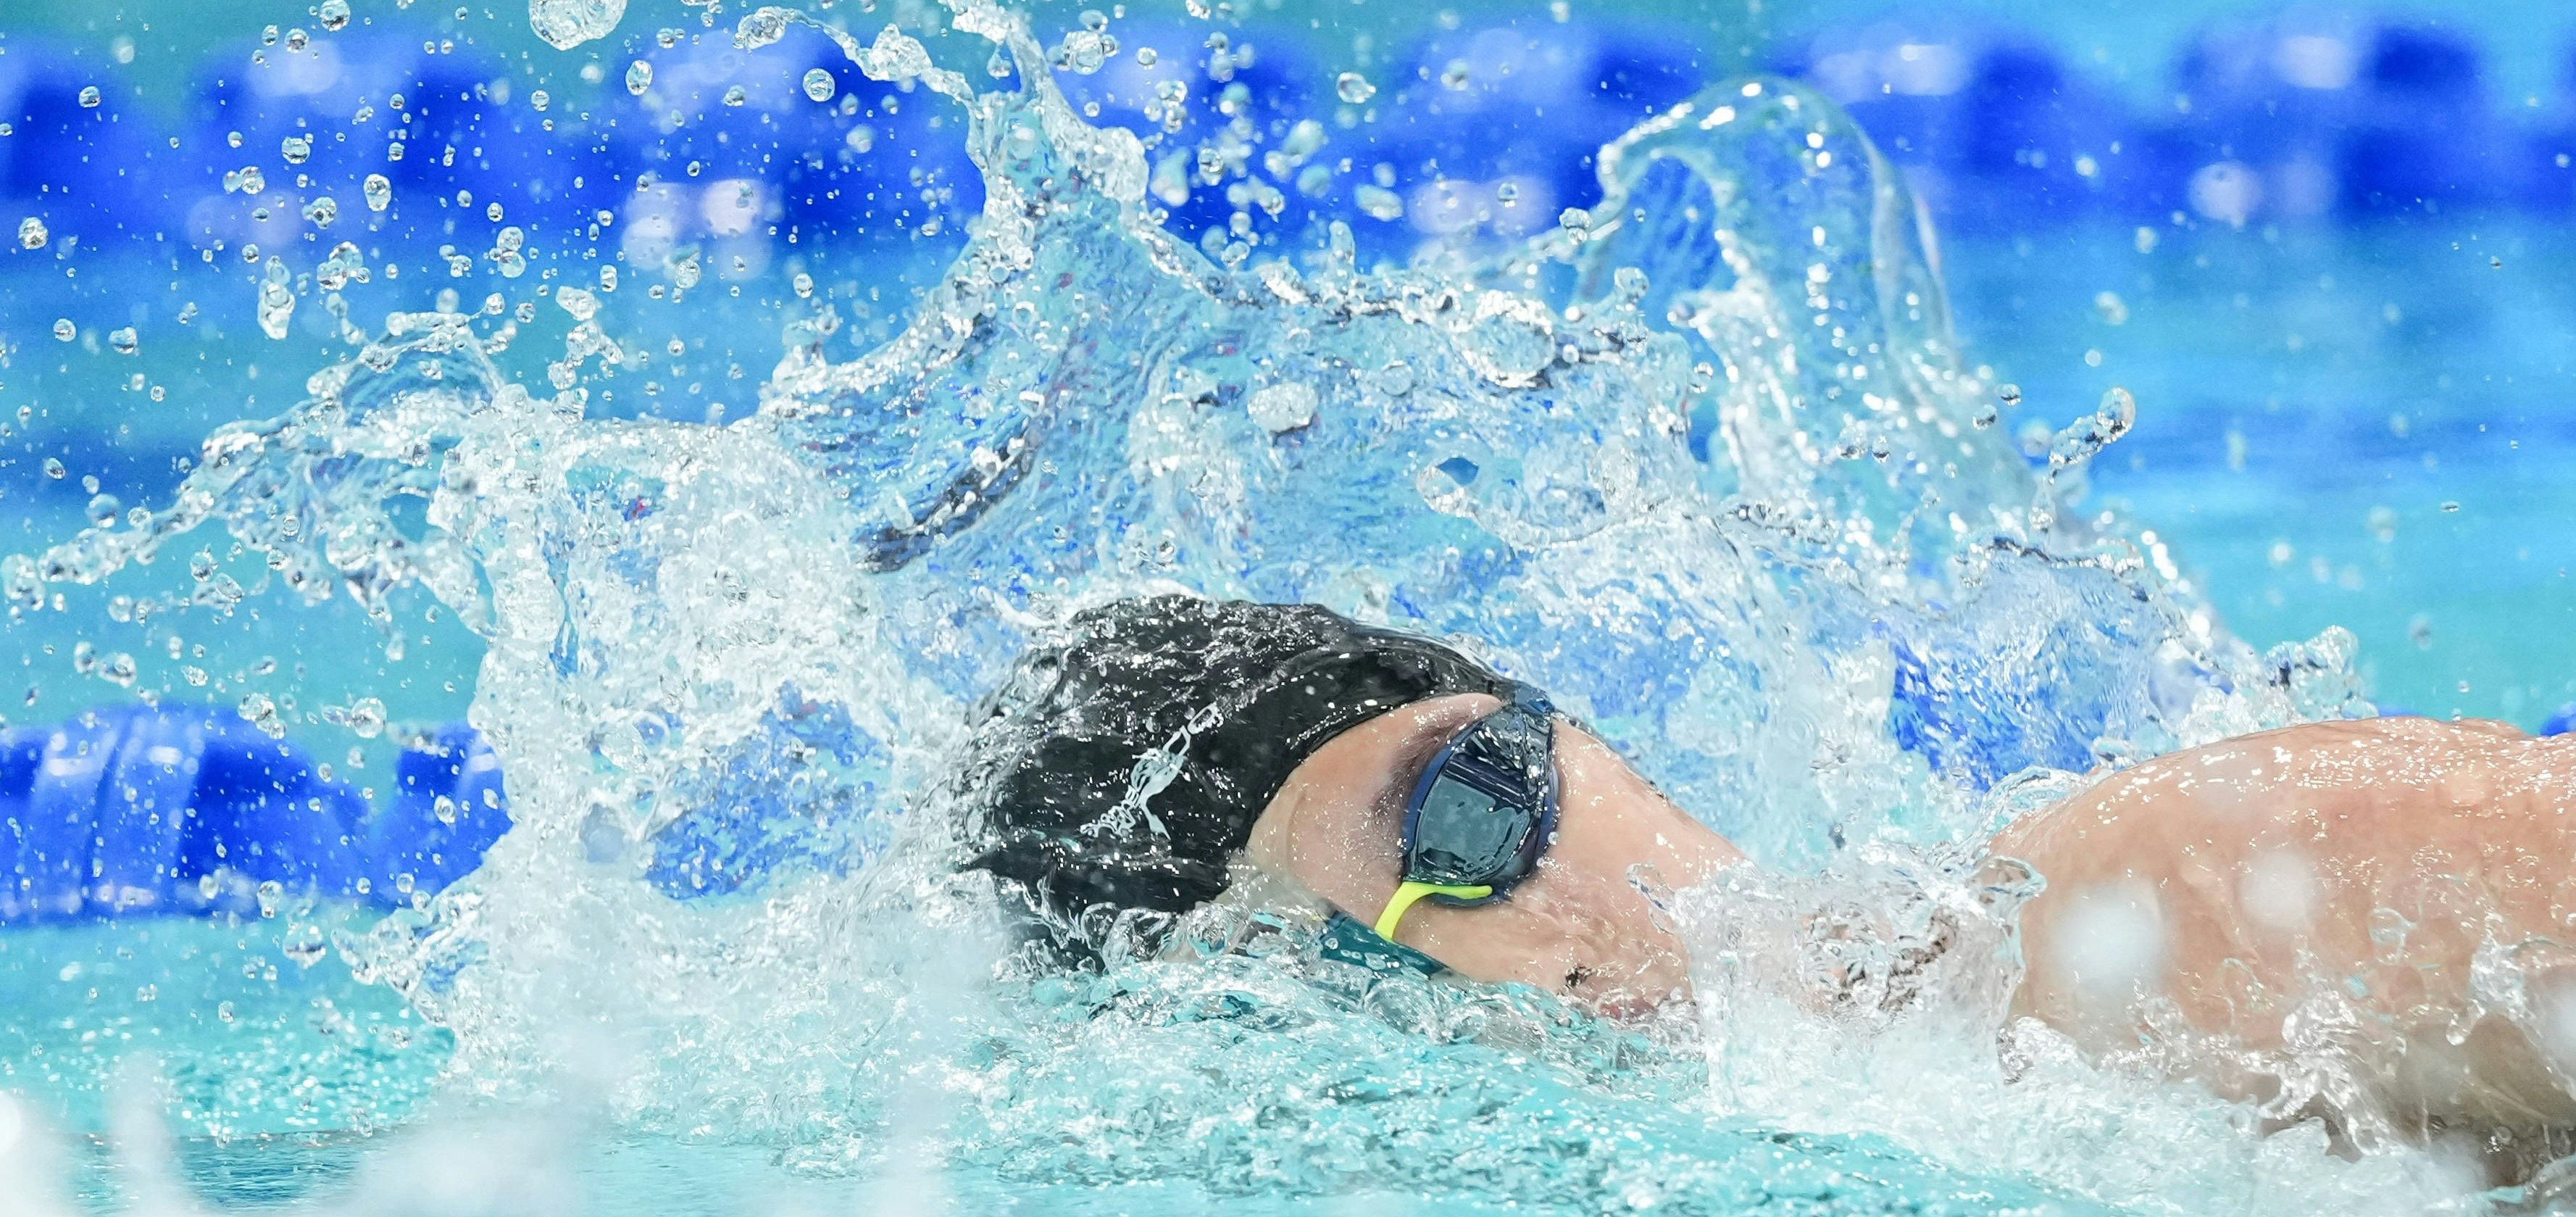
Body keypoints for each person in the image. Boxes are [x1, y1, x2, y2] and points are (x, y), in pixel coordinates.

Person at [950, 595, 2576, 1143]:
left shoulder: (2132, 892)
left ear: (1575, 746)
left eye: (1473, 802)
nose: (1519, 935)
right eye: (1378, 963)